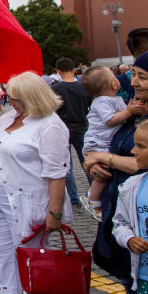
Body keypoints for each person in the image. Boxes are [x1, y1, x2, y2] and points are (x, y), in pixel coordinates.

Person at [0, 73, 71, 294]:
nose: (12, 102)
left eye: (15, 99)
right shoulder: (10, 117)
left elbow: (57, 173)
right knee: (3, 252)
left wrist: (55, 211)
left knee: (31, 256)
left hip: (28, 200)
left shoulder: (49, 125)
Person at [87, 46, 148, 294]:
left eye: (142, 76)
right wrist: (95, 163)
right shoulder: (135, 107)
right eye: (134, 75)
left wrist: (105, 158)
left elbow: (137, 160)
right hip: (129, 220)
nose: (134, 81)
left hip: (146, 219)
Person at [80, 66, 145, 221]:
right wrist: (129, 112)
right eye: (114, 76)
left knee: (105, 171)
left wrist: (132, 109)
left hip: (104, 141)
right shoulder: (101, 102)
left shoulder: (114, 99)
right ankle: (92, 198)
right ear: (113, 84)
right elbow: (110, 120)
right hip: (98, 142)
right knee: (103, 172)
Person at [112, 117, 148, 294]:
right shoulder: (133, 186)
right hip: (147, 278)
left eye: (141, 146)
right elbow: (119, 223)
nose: (132, 150)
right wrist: (129, 239)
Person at [52, 58, 92, 212]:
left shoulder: (56, 89)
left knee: (67, 166)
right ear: (74, 70)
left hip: (63, 129)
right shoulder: (84, 87)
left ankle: (74, 199)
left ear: (58, 71)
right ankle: (94, 195)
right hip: (82, 127)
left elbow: (53, 109)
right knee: (87, 162)